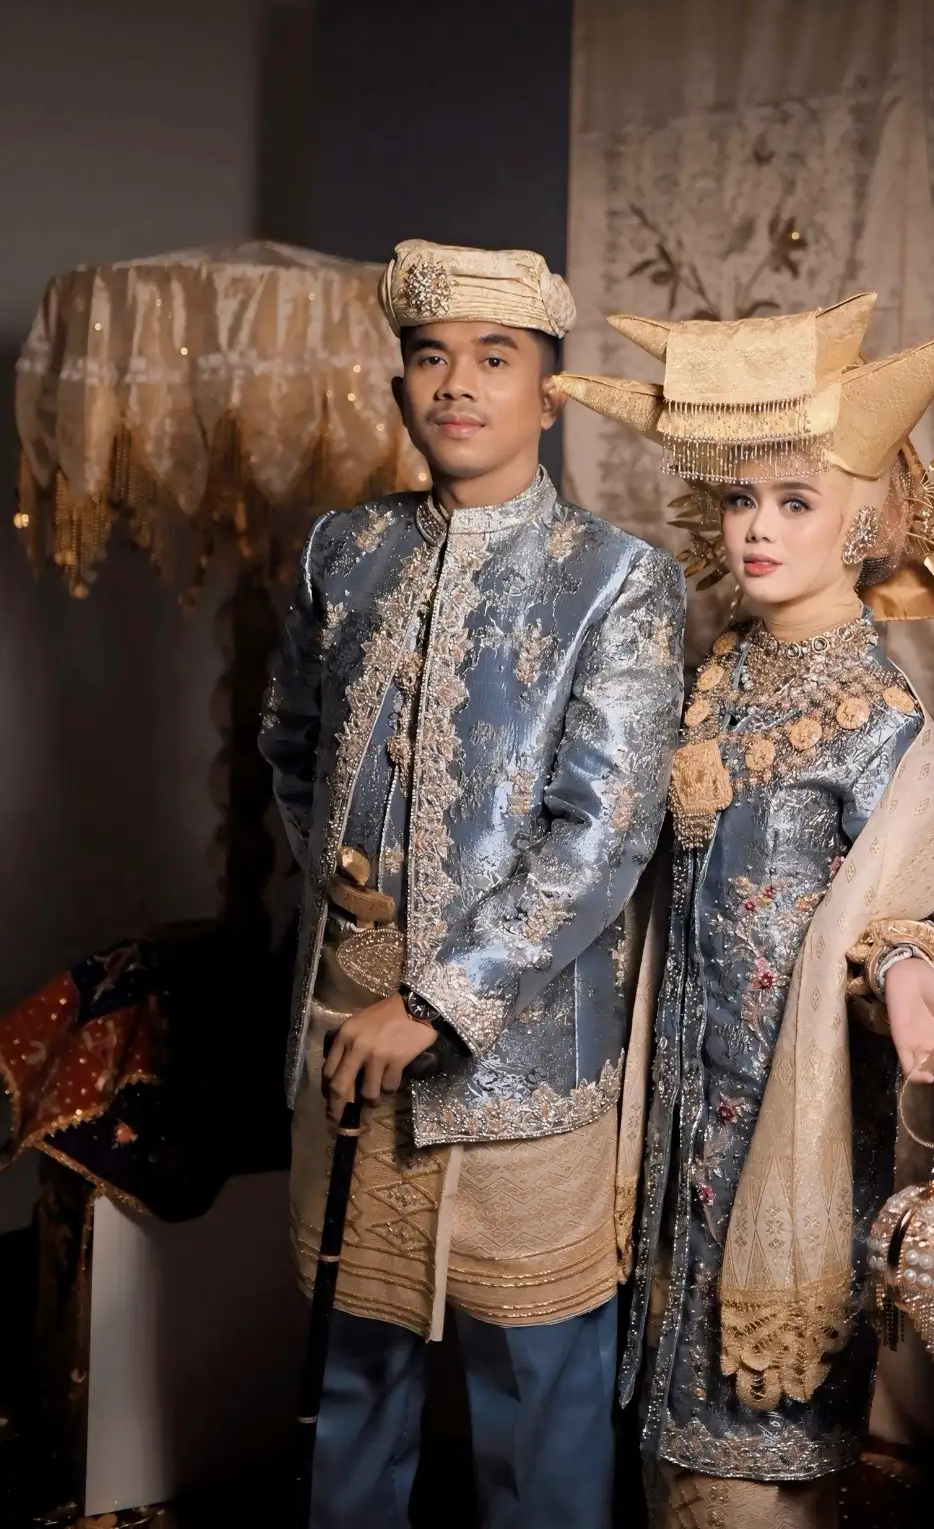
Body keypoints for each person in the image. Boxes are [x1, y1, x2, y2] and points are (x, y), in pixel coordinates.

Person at [555, 296, 934, 1528]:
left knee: (749, 1474)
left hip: (786, 1132)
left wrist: (907, 974)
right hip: (675, 1123)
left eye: (795, 501)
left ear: (862, 521)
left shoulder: (881, 723)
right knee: (660, 1457)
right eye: (742, 498)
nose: (756, 527)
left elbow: (896, 903)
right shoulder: (720, 675)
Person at [260, 241, 685, 1529]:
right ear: (401, 384)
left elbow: (604, 836)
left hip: (522, 1049)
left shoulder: (616, 578)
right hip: (344, 1017)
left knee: (534, 1391)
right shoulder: (344, 549)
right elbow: (289, 741)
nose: (457, 385)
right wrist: (347, 901)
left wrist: (438, 998)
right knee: (351, 1368)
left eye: (495, 360)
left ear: (547, 393)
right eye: (430, 357)